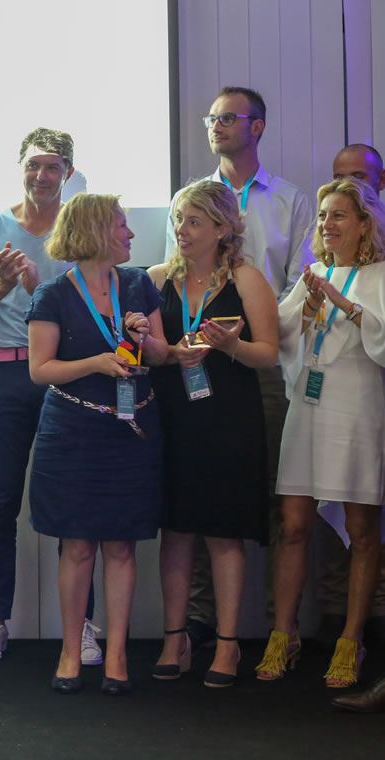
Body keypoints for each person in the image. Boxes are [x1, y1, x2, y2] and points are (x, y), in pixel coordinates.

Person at [171, 86, 315, 650]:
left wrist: (251, 323)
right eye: (211, 118)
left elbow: (301, 282)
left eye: (228, 117)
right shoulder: (188, 197)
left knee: (274, 493)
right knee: (196, 493)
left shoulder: (291, 200)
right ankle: (199, 622)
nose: (216, 125)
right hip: (195, 362)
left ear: (257, 127)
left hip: (263, 362)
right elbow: (175, 272)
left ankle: (281, 625)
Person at [0, 128, 101, 666]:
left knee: (75, 501)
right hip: (4, 375)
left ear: (68, 173)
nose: (41, 175)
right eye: (33, 165)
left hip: (65, 376)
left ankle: (81, 626)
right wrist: (3, 282)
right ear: (21, 168)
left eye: (52, 166)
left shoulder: (80, 228)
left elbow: (94, 312)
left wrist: (37, 287)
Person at [26, 193, 167, 696]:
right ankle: (71, 651)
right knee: (78, 544)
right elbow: (40, 370)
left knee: (122, 545)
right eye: (122, 225)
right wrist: (98, 363)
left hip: (130, 432)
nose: (131, 234)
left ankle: (118, 653)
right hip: (73, 434)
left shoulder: (139, 283)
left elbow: (161, 354)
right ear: (95, 232)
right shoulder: (52, 295)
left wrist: (144, 338)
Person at [147, 180, 279, 687]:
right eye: (179, 219)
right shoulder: (156, 279)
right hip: (172, 419)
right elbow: (145, 351)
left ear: (223, 229)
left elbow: (268, 353)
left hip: (228, 421)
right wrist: (161, 349)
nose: (182, 230)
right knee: (176, 531)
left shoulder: (246, 279)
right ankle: (174, 640)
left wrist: (231, 347)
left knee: (224, 533)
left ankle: (227, 645)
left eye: (194, 221)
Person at [257, 178, 385, 688]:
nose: (327, 224)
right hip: (308, 409)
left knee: (361, 530)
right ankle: (282, 634)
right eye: (324, 215)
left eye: (339, 215)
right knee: (292, 524)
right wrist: (306, 311)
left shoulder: (379, 275)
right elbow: (281, 335)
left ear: (364, 224)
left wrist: (341, 302)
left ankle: (351, 641)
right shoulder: (312, 274)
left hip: (356, 409)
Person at [314, 144, 385, 646]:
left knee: (366, 516)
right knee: (323, 511)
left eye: (360, 176)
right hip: (329, 397)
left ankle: (369, 624)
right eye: (342, 176)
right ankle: (335, 618)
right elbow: (288, 332)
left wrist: (346, 305)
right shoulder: (321, 259)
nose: (351, 183)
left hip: (369, 395)